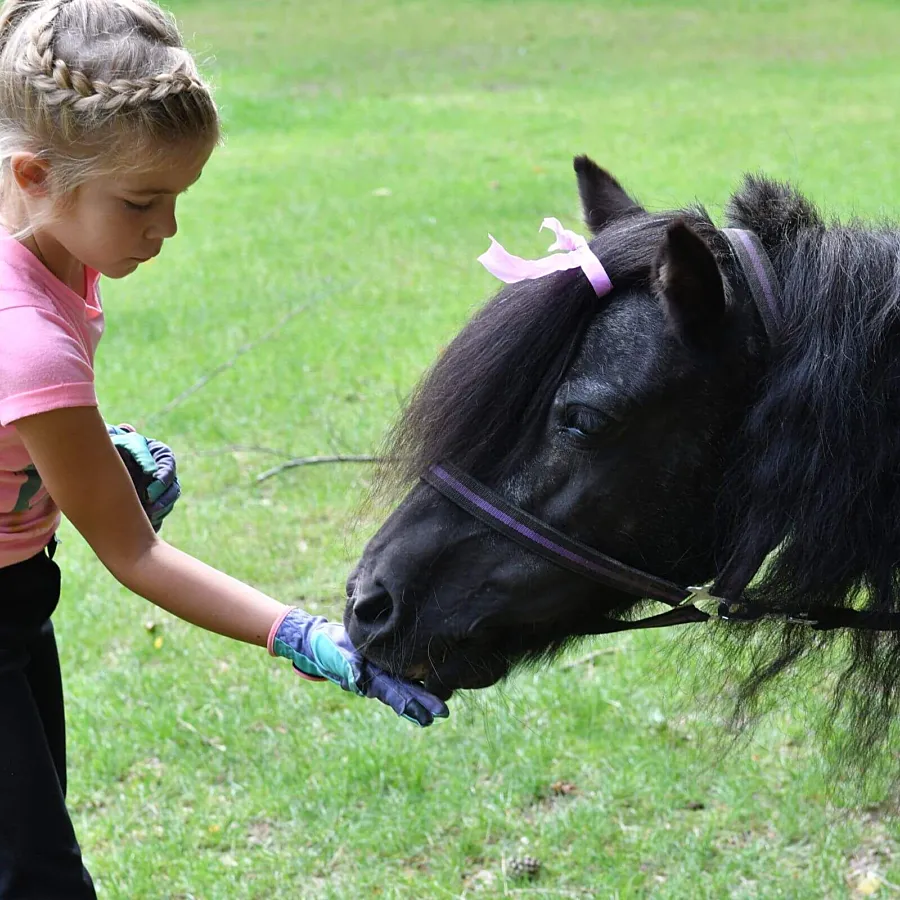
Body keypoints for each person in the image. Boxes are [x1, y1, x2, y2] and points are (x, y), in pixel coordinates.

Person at [0, 0, 449, 895]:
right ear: (37, 173)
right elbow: (134, 552)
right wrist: (304, 636)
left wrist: (66, 462)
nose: (166, 230)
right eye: (143, 203)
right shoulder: (29, 337)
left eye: (177, 197)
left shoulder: (45, 238)